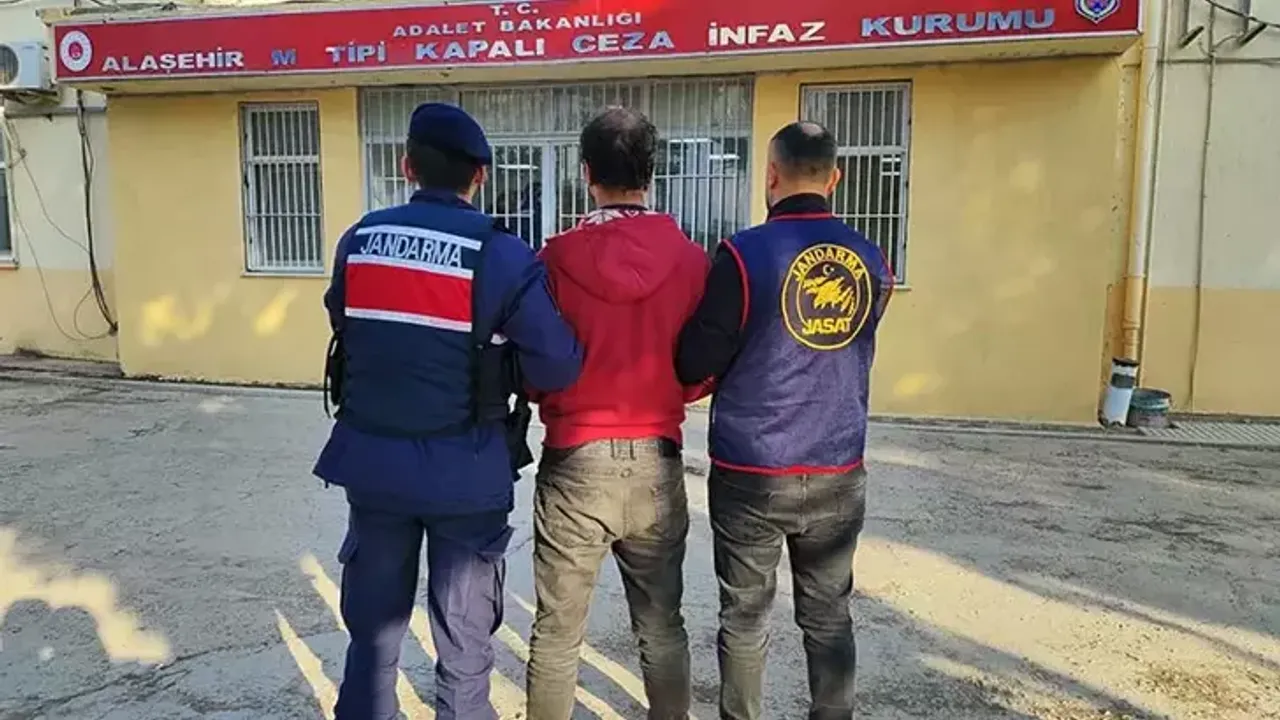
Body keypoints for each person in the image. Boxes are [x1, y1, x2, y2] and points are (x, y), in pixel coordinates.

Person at [313, 102, 583, 720]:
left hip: (374, 466)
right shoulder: (501, 253)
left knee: (372, 638)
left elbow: (344, 320)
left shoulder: (360, 239)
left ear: (407, 166)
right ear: (479, 176)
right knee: (463, 647)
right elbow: (556, 367)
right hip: (467, 471)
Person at [674, 121, 893, 720]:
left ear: (770, 174)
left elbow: (697, 359)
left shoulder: (743, 255)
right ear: (835, 178)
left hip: (752, 467)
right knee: (829, 615)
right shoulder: (871, 259)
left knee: (745, 617)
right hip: (837, 465)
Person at [524, 106, 712, 720]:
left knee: (557, 633)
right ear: (651, 174)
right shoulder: (691, 261)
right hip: (657, 460)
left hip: (575, 458)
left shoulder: (553, 260)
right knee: (662, 627)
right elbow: (701, 364)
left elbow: (536, 362)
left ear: (585, 173)